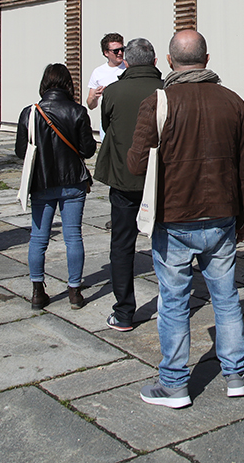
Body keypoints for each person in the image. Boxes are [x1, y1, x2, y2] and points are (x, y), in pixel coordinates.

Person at [127, 29, 244, 408]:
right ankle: (236, 375)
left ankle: (174, 384)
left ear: (169, 62)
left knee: (174, 301)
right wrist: (243, 217)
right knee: (227, 298)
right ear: (207, 58)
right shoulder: (233, 102)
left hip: (174, 216)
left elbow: (136, 164)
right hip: (221, 216)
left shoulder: (158, 102)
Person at [95, 37, 164, 331]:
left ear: (128, 61)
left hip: (124, 179)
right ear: (155, 62)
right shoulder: (167, 91)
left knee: (122, 245)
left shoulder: (113, 91)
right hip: (161, 181)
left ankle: (124, 311)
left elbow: (107, 123)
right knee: (168, 243)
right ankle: (172, 304)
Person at [14, 63, 96, 310]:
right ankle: (74, 292)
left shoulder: (30, 112)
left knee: (38, 238)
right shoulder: (78, 111)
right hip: (72, 182)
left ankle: (37, 291)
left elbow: (20, 151)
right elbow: (88, 150)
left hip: (41, 182)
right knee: (73, 237)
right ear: (68, 83)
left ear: (44, 84)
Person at [85, 32, 125, 139]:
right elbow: (91, 105)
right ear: (106, 53)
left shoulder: (130, 67)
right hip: (108, 124)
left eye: (122, 49)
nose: (120, 53)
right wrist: (95, 97)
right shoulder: (98, 72)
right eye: (116, 51)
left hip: (127, 121)